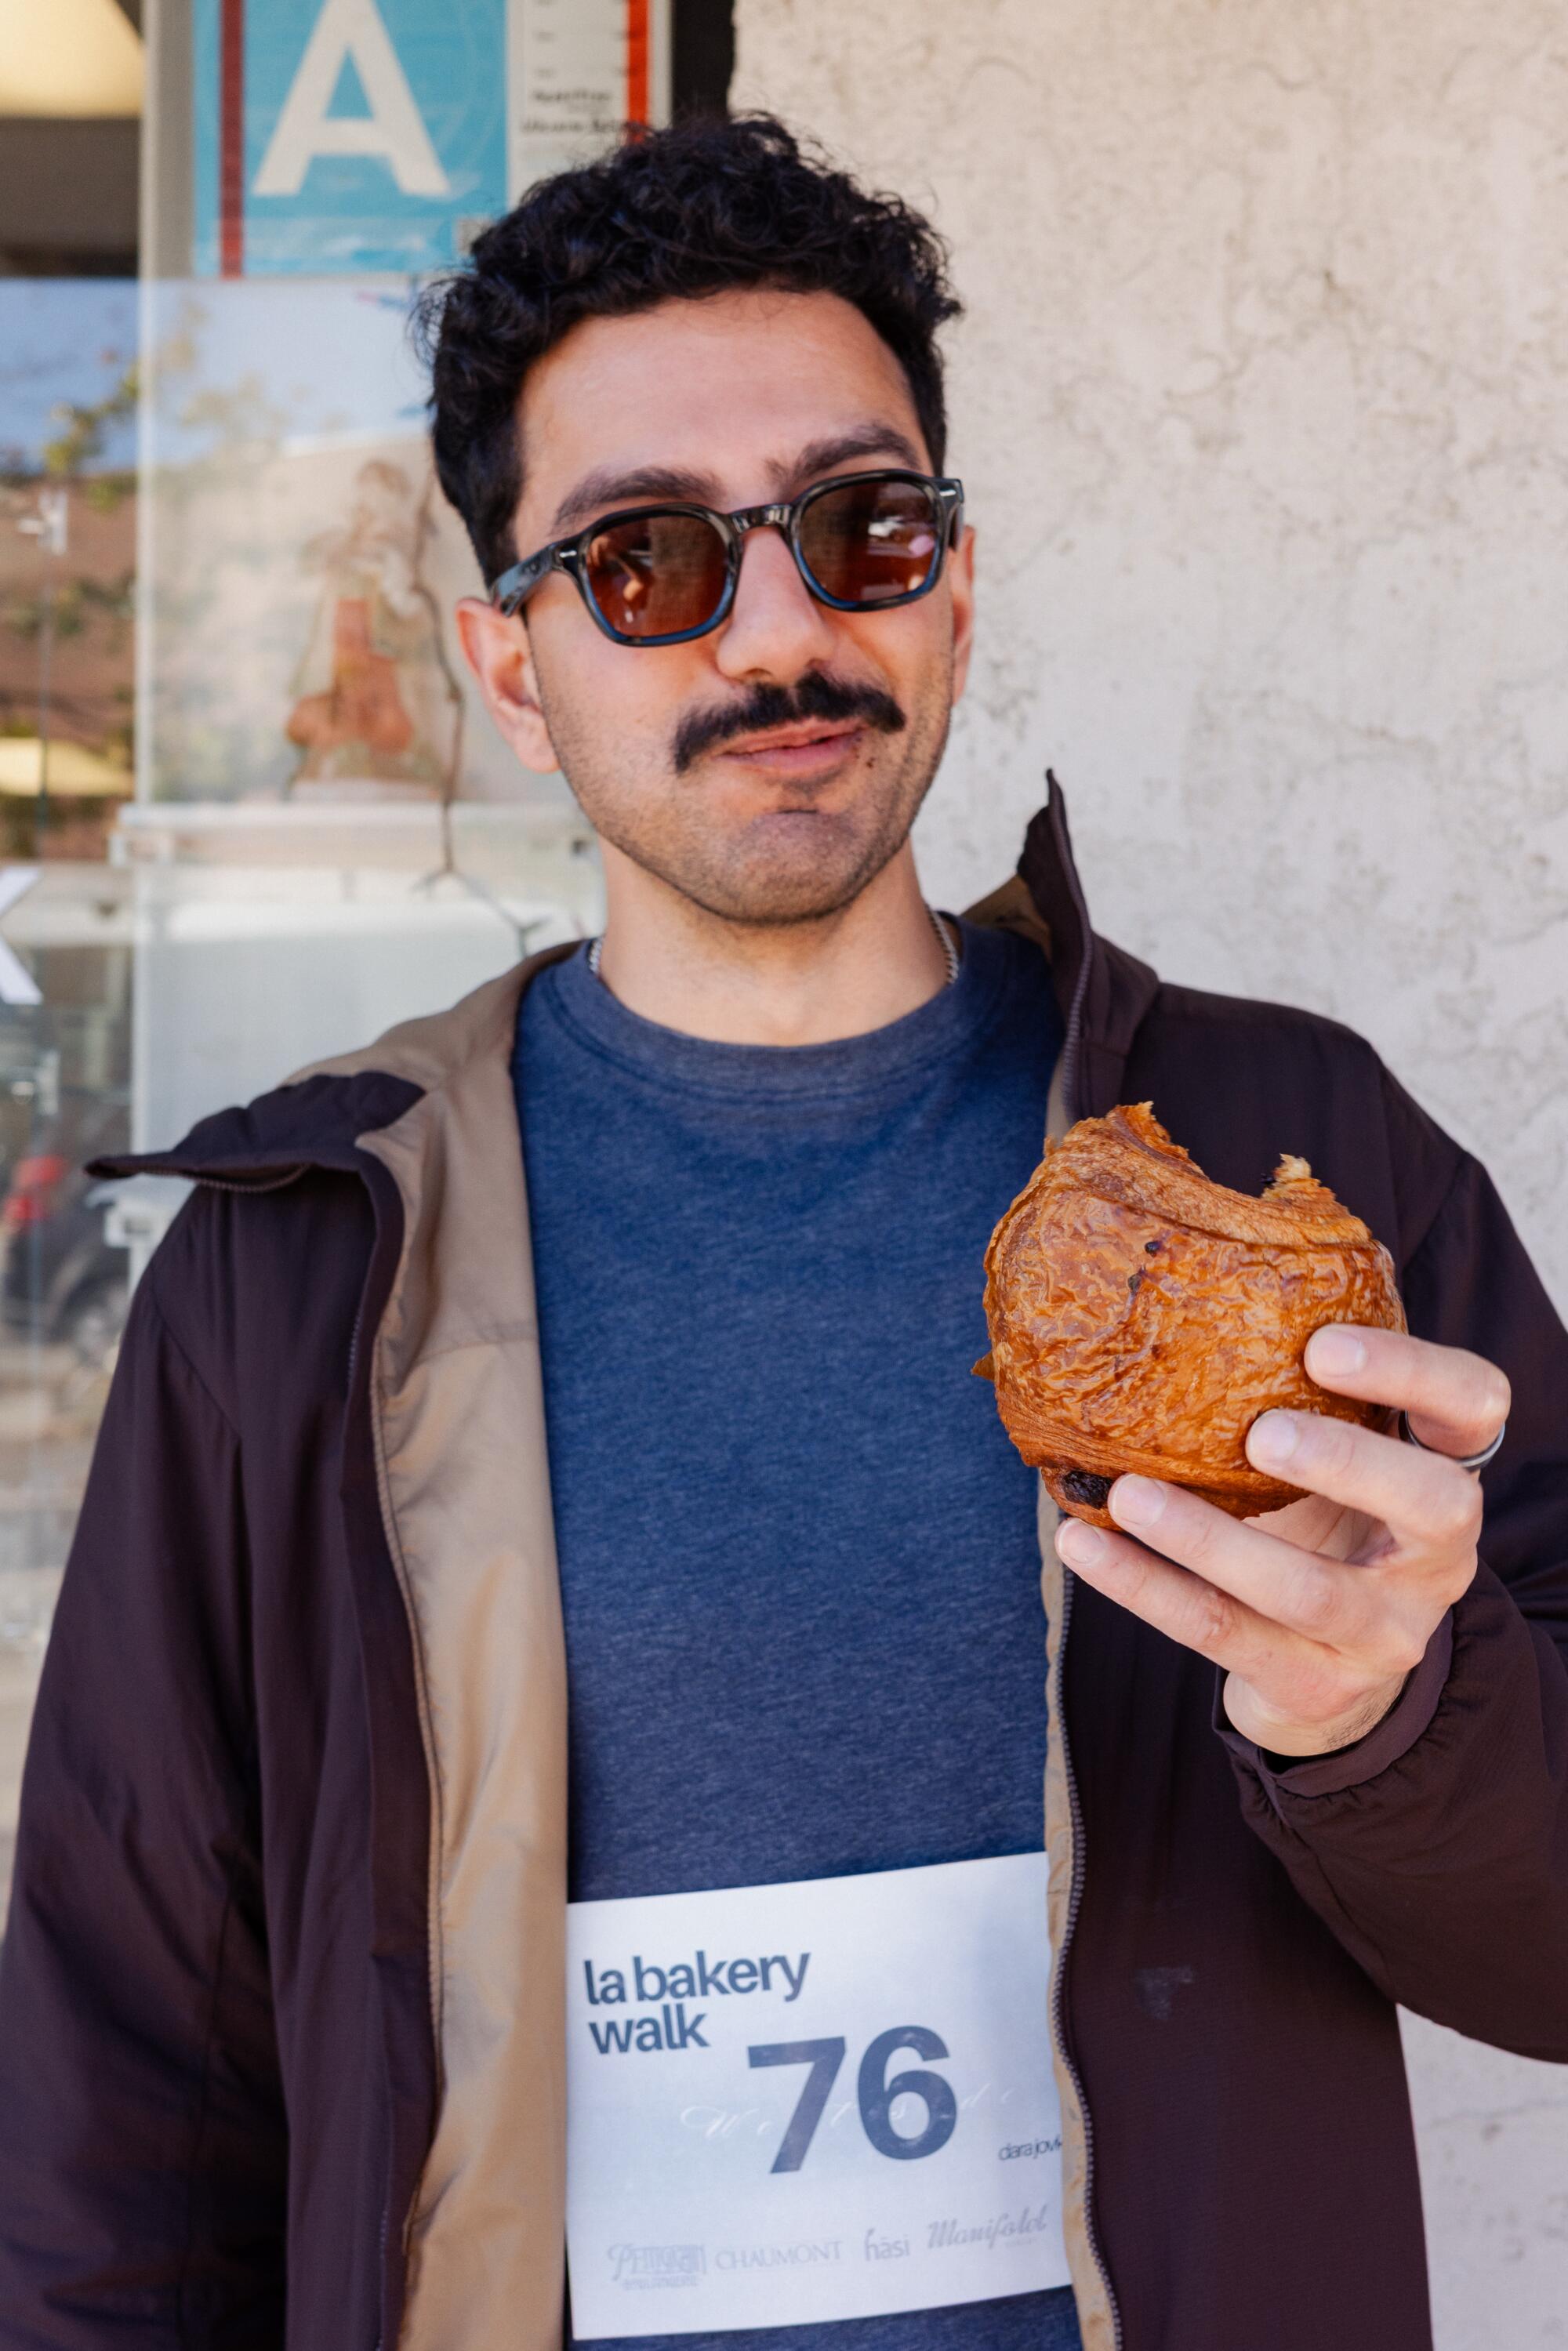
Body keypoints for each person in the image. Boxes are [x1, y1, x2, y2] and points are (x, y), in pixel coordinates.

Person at [0, 114, 1563, 2351]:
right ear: (512, 664)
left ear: (957, 572)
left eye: (864, 526)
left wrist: (1393, 1725)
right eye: (644, 560)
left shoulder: (1278, 1167)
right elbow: (125, 2091)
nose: (780, 628)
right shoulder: (299, 1265)